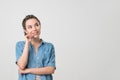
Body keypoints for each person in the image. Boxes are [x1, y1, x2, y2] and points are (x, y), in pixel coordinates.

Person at [15, 15, 56, 80]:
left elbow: (51, 69)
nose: (34, 29)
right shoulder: (20, 45)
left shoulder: (49, 47)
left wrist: (27, 70)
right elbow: (22, 65)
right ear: (25, 31)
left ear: (40, 26)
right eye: (30, 27)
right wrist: (27, 43)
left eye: (36, 25)